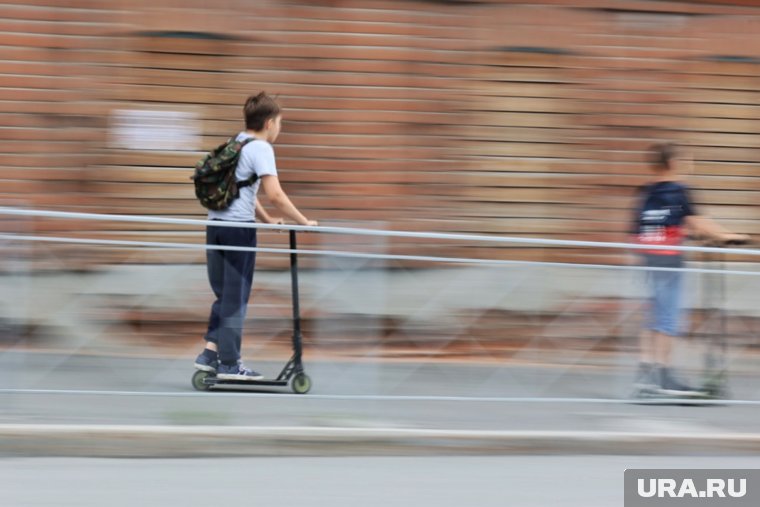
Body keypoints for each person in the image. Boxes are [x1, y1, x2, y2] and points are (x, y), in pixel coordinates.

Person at [194, 92, 318, 380]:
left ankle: (209, 354)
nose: (279, 129)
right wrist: (303, 221)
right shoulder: (261, 148)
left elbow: (242, 190)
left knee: (225, 295)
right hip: (239, 231)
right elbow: (274, 193)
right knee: (236, 298)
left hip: (216, 227)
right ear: (270, 122)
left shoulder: (237, 142)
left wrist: (266, 219)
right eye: (280, 123)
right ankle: (229, 364)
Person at [631, 142, 748, 394]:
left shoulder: (646, 192)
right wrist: (729, 236)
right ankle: (662, 376)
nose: (689, 164)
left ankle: (645, 372)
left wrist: (688, 233)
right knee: (668, 316)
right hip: (669, 259)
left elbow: (650, 225)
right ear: (673, 163)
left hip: (648, 259)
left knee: (653, 312)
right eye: (685, 160)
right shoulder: (678, 190)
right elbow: (698, 221)